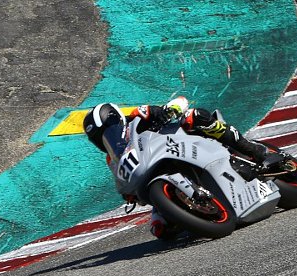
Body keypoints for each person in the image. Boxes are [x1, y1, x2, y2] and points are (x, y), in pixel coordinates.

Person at [83, 96, 286, 239]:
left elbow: (180, 102)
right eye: (97, 137)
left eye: (105, 130)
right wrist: (129, 195)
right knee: (159, 230)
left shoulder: (138, 116)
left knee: (195, 116)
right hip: (157, 170)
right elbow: (122, 184)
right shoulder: (114, 161)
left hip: (182, 143)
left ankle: (251, 149)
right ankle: (197, 208)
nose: (103, 138)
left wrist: (168, 111)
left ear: (114, 117)